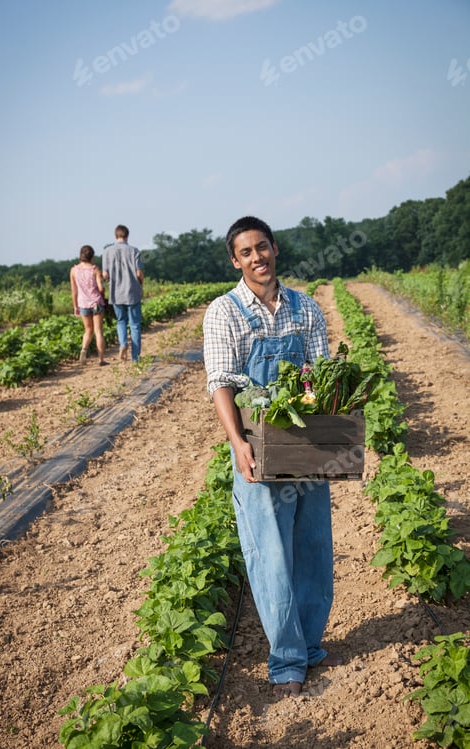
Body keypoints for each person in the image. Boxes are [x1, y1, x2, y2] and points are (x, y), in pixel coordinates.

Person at [203, 216, 342, 700]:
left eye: (262, 247)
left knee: (311, 547)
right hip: (257, 445)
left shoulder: (304, 307)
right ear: (235, 261)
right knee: (270, 555)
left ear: (275, 249)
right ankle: (287, 661)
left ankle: (310, 645)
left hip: (306, 443)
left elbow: (322, 375)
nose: (257, 257)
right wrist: (238, 443)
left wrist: (336, 434)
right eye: (246, 252)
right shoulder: (225, 312)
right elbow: (220, 382)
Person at [102, 224, 144, 363]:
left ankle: (123, 344)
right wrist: (140, 285)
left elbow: (105, 274)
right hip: (132, 292)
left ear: (116, 235)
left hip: (116, 293)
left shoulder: (107, 252)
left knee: (121, 321)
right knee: (135, 325)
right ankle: (135, 358)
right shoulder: (134, 251)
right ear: (127, 236)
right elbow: (139, 273)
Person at [70, 245, 107, 366]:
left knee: (88, 330)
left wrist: (76, 306)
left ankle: (84, 350)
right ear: (92, 257)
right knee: (98, 331)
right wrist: (103, 293)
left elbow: (74, 291)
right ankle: (101, 359)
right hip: (96, 303)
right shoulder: (95, 269)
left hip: (83, 304)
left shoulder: (74, 270)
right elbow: (101, 288)